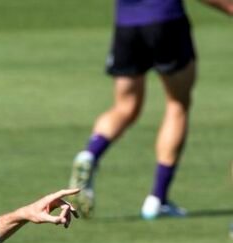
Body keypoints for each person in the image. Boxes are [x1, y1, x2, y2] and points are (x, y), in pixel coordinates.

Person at [69, 0, 233, 220]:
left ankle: (90, 154)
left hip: (126, 23)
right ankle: (158, 199)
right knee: (177, 104)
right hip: (166, 18)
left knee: (124, 106)